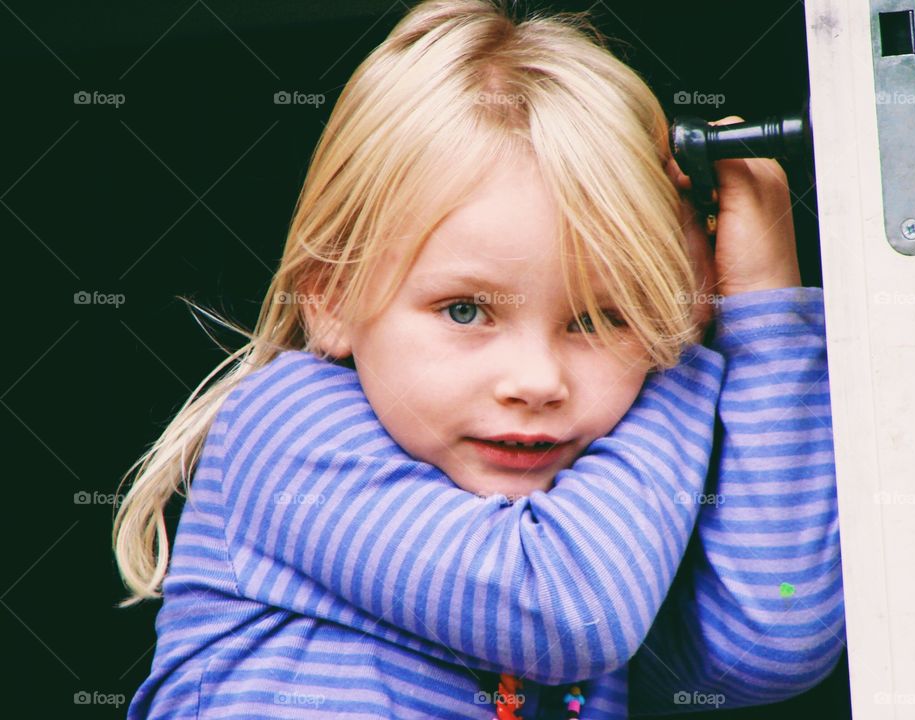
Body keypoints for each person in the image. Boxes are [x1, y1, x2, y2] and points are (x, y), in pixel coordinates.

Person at [112, 1, 845, 717]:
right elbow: (573, 612)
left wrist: (760, 318)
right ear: (331, 296)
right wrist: (679, 348)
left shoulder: (602, 512)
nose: (537, 382)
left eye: (601, 318)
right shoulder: (284, 426)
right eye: (465, 310)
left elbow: (770, 633)